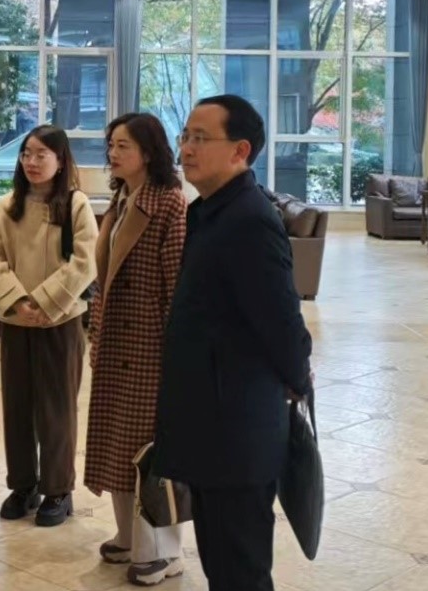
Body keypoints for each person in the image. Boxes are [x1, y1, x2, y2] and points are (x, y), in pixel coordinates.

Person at [155, 95, 312, 591]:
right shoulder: (211, 211)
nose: (186, 148)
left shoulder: (249, 220)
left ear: (240, 150)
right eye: (185, 136)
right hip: (212, 424)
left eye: (201, 138)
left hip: (237, 431)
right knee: (221, 565)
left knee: (240, 570)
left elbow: (282, 321)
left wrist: (298, 377)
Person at [84, 113, 187, 587]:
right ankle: (128, 537)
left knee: (151, 452)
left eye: (122, 145)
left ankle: (163, 553)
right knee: (118, 444)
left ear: (149, 151)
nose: (113, 153)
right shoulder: (122, 197)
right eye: (111, 144)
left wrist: (176, 356)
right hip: (115, 343)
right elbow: (104, 276)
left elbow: (177, 286)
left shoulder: (170, 202)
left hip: (151, 347)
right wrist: (96, 332)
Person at [0, 125, 98, 527]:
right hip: (16, 320)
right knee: (17, 406)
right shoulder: (5, 207)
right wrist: (20, 302)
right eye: (26, 153)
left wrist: (47, 302)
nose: (31, 161)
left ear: (60, 161)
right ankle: (23, 485)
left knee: (56, 407)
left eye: (41, 154)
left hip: (61, 321)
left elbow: (85, 261)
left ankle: (58, 489)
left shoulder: (77, 205)